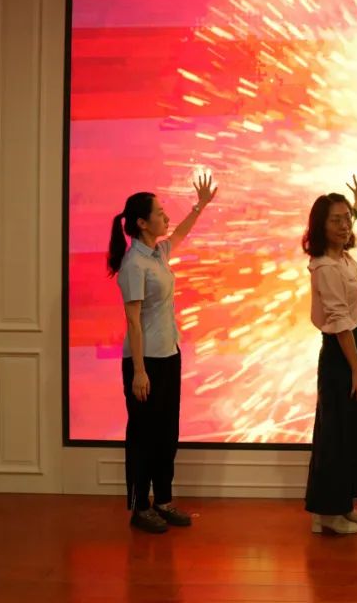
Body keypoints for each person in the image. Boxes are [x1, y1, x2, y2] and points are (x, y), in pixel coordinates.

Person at [107, 173, 217, 534]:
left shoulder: (158, 253)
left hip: (168, 355)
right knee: (143, 436)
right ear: (142, 223)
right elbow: (133, 322)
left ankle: (164, 500)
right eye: (159, 212)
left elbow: (181, 232)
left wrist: (200, 205)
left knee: (167, 434)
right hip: (145, 362)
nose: (166, 217)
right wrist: (139, 372)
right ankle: (141, 507)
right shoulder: (133, 264)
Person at [303, 173, 357, 535]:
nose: (344, 224)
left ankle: (341, 505)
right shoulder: (326, 266)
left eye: (346, 218)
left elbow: (346, 227)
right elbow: (338, 321)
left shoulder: (341, 257)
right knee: (336, 432)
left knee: (350, 428)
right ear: (320, 225)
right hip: (341, 349)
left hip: (353, 342)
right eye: (335, 220)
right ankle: (327, 514)